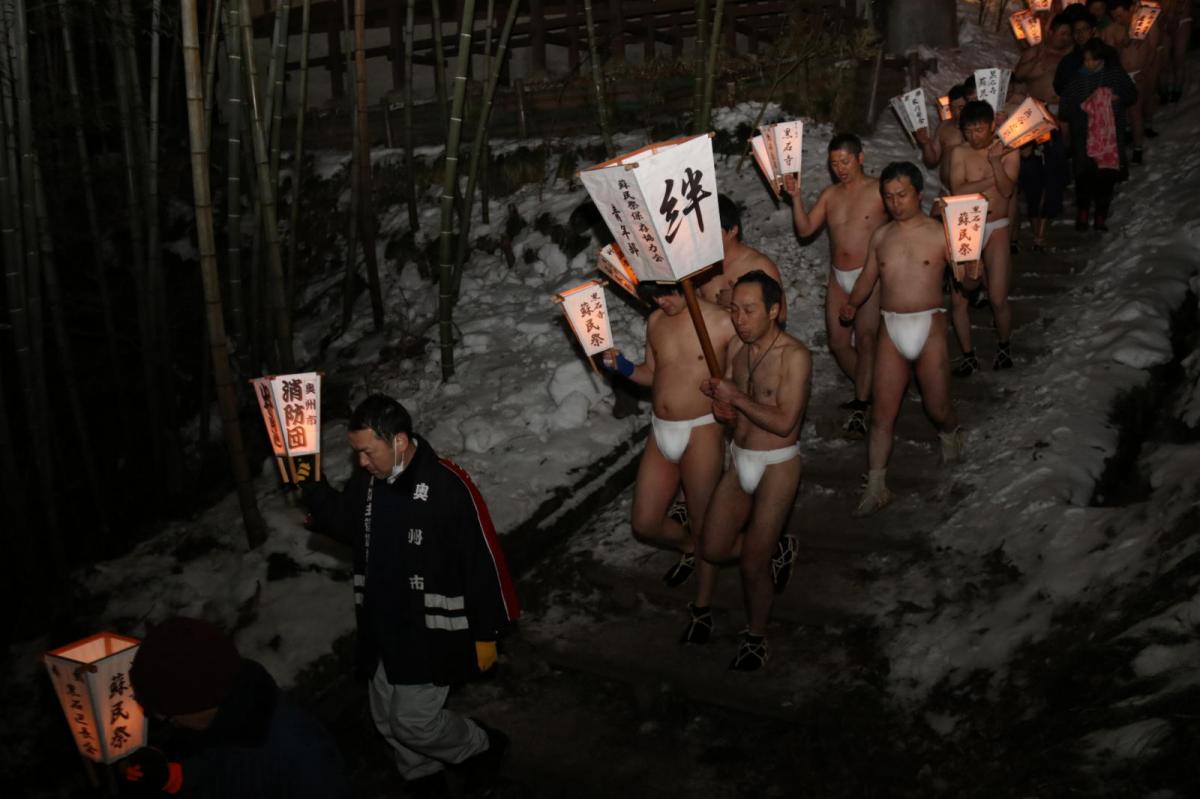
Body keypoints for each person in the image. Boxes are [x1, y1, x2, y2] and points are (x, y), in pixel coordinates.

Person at [300, 395, 520, 798]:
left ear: (399, 441)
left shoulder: (446, 485)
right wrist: (310, 484)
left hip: (430, 627)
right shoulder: (368, 483)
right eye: (357, 453)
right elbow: (346, 524)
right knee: (385, 716)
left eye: (367, 451)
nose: (361, 462)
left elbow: (483, 559)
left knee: (414, 722)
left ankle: (481, 747)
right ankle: (423, 775)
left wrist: (489, 630)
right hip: (382, 624)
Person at [601, 282, 753, 635]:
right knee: (645, 522)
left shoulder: (720, 322)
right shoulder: (656, 321)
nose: (661, 302)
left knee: (705, 526)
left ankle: (702, 603)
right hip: (661, 430)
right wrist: (622, 366)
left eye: (667, 293)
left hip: (701, 430)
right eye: (654, 296)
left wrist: (729, 396)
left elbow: (743, 379)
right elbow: (652, 374)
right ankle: (688, 547)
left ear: (688, 284)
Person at [697, 270, 811, 671]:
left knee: (750, 565)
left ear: (775, 311)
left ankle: (756, 637)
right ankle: (776, 548)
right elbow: (731, 407)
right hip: (740, 458)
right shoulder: (738, 351)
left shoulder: (795, 357)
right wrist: (721, 407)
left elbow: (784, 423)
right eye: (735, 310)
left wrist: (737, 398)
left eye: (749, 310)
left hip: (777, 464)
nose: (739, 319)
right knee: (711, 548)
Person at [839, 162, 966, 517]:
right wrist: (851, 305)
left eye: (902, 195)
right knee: (882, 413)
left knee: (936, 406)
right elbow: (867, 278)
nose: (895, 203)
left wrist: (973, 270)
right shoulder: (881, 236)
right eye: (889, 196)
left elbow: (966, 283)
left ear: (918, 194)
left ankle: (951, 432)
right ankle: (877, 485)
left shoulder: (940, 233)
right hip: (891, 326)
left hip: (929, 324)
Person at [116, 616, 351, 798]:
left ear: (199, 702)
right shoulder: (225, 721)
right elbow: (218, 769)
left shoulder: (304, 757)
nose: (170, 722)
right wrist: (174, 777)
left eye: (167, 715)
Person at [783, 133, 888, 438]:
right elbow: (805, 230)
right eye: (834, 163)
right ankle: (874, 389)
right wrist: (796, 197)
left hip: (868, 276)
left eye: (845, 161)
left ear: (860, 158)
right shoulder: (830, 196)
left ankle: (861, 404)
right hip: (838, 276)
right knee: (839, 344)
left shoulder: (878, 189)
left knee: (866, 340)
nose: (840, 167)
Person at [946, 100, 1021, 376]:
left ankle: (1003, 345)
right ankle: (967, 355)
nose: (974, 136)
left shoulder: (1008, 149)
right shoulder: (958, 153)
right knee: (958, 300)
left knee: (998, 296)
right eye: (969, 131)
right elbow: (957, 189)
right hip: (965, 224)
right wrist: (991, 176)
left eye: (979, 130)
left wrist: (994, 163)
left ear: (992, 126)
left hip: (996, 224)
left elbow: (1007, 190)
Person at [1059, 38, 1138, 232]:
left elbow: (1132, 94)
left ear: (1102, 59)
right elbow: (1065, 109)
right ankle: (1083, 212)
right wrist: (1084, 107)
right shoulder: (1076, 80)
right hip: (1083, 135)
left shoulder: (1115, 75)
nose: (1089, 64)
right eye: (1086, 60)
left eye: (1094, 60)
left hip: (1110, 135)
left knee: (1106, 176)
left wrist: (1116, 99)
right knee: (1084, 175)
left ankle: (1101, 216)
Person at [1014, 13, 1073, 251]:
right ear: (1051, 32)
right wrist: (1034, 62)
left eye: (1068, 34)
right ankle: (1035, 222)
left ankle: (1042, 230)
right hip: (1036, 116)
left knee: (1054, 175)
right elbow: (1018, 76)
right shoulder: (1034, 53)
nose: (1065, 38)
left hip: (1060, 118)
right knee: (1033, 176)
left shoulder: (1071, 57)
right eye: (1062, 33)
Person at [698, 194, 786, 322]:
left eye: (711, 231)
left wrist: (737, 302)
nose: (704, 237)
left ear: (733, 231)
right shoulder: (700, 268)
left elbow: (781, 315)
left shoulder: (759, 265)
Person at [1104, 0, 1162, 164]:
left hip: (1139, 73)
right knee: (1124, 114)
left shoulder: (1146, 22)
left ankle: (1138, 149)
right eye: (1115, 16)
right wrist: (1120, 47)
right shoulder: (1111, 30)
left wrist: (1145, 70)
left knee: (1136, 112)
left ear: (1130, 10)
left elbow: (1153, 47)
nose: (1118, 19)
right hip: (1121, 76)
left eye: (1121, 15)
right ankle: (1127, 141)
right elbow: (1108, 56)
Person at [916, 83, 968, 189]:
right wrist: (926, 144)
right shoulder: (944, 126)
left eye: (961, 107)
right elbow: (932, 161)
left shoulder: (979, 129)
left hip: (970, 190)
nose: (957, 112)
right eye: (952, 108)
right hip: (947, 188)